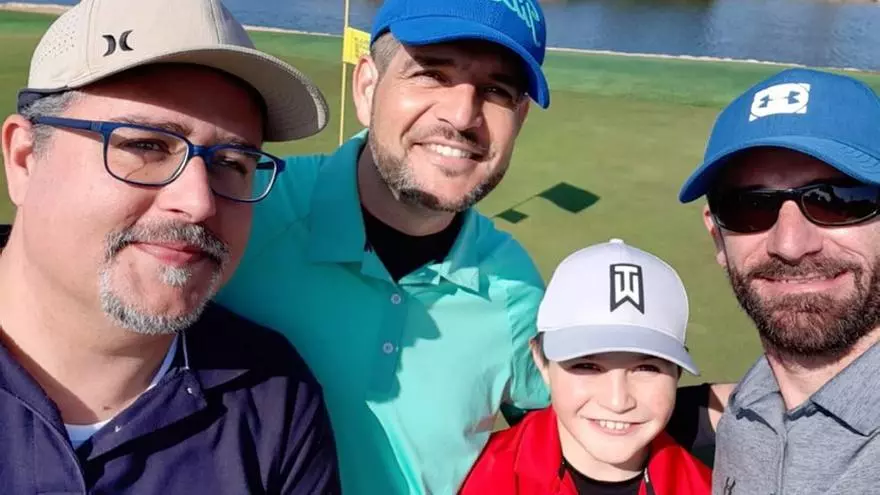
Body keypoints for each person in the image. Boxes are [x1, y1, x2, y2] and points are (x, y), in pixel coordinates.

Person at [216, 0, 732, 492]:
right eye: (431, 73)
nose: (463, 115)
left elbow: (584, 409)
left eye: (497, 90)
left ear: (520, 119)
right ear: (368, 86)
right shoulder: (243, 210)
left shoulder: (514, 288)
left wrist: (738, 411)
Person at [0, 0, 339, 492]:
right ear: (25, 159)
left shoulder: (274, 400)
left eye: (232, 163)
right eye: (146, 145)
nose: (199, 202)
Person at [679, 67, 880, 494]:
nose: (790, 245)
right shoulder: (749, 408)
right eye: (750, 206)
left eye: (838, 200)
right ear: (718, 237)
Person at [461, 239, 712, 495]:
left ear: (677, 372)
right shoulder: (471, 481)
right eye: (587, 366)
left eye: (646, 368)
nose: (617, 402)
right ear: (540, 360)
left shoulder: (715, 485)